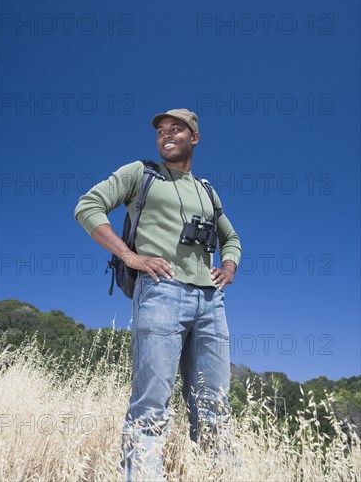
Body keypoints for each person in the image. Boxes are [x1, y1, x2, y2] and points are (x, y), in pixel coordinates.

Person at [74, 108, 242, 480]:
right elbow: (87, 206)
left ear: (193, 138)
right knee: (150, 405)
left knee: (214, 408)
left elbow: (231, 238)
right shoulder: (141, 173)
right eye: (161, 130)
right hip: (161, 293)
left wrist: (228, 267)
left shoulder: (207, 191)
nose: (166, 135)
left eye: (176, 129)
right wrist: (128, 255)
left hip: (212, 302)